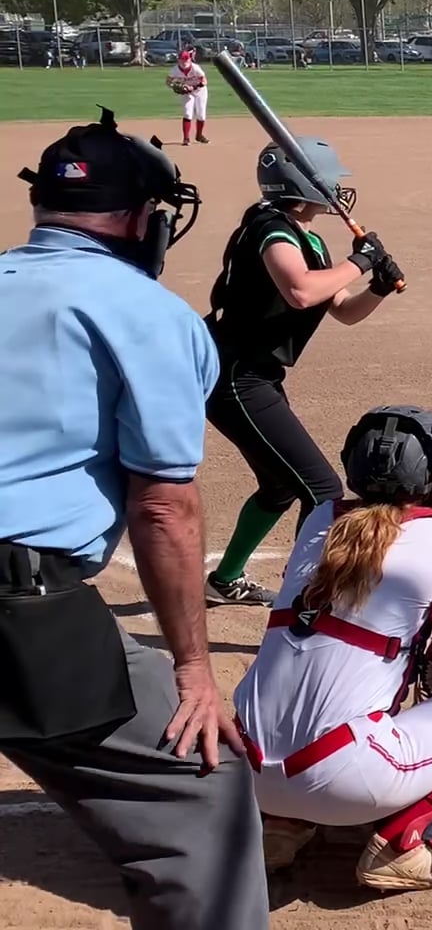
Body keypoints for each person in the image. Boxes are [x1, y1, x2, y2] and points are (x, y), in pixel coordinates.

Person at [1, 109, 268, 929]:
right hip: (22, 614)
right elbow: (162, 506)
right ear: (138, 219)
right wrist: (194, 669)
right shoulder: (150, 314)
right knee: (202, 782)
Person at [233, 406, 432, 891]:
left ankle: (278, 827)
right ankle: (402, 844)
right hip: (344, 776)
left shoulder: (321, 519)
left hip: (243, 771)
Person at [201, 140, 404, 605]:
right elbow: (300, 291)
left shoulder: (306, 238)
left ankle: (224, 581)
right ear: (302, 185)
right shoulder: (271, 229)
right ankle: (305, 602)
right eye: (328, 180)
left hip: (257, 376)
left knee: (279, 485)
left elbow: (344, 310)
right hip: (234, 378)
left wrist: (377, 285)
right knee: (322, 490)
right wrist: (360, 261)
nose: (335, 187)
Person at [167, 47, 210, 146]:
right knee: (187, 113)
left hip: (200, 91)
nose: (184, 61)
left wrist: (194, 87)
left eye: (186, 59)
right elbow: (168, 82)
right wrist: (175, 86)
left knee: (201, 115)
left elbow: (204, 81)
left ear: (190, 59)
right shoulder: (175, 70)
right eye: (182, 59)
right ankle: (186, 138)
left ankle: (199, 136)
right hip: (186, 93)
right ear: (179, 60)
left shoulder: (195, 68)